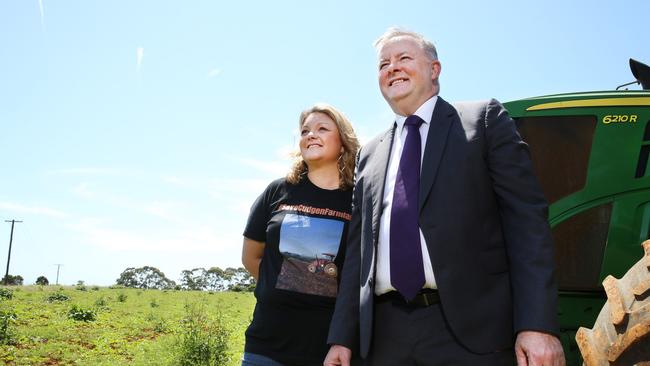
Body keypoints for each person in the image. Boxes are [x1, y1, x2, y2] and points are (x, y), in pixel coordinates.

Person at [324, 28, 565, 366]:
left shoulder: (483, 122)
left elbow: (527, 224)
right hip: (383, 339)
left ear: (434, 70)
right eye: (383, 64)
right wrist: (341, 338)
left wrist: (537, 324)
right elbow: (357, 256)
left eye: (404, 58)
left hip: (471, 336)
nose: (391, 68)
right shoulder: (369, 154)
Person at [241, 103, 360, 366]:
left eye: (321, 129)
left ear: (342, 142)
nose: (310, 135)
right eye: (305, 131)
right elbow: (251, 257)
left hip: (329, 349)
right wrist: (290, 282)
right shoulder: (277, 191)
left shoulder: (357, 200)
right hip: (266, 346)